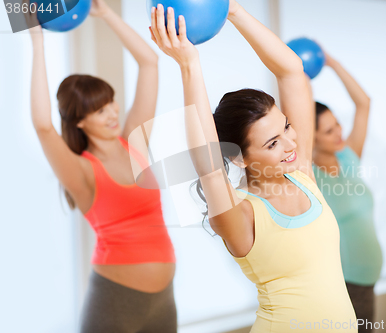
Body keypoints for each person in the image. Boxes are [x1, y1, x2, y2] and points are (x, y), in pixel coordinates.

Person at [149, 1, 356, 332]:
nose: (291, 143)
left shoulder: (301, 173)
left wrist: (232, 10)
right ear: (239, 156)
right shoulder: (242, 214)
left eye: (286, 126)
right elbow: (208, 166)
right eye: (272, 143)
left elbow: (291, 71)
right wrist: (189, 65)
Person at [28, 1, 177, 332]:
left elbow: (150, 63)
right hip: (116, 302)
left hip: (164, 299)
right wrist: (37, 41)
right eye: (99, 111)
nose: (112, 114)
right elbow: (42, 125)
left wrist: (106, 13)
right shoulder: (81, 171)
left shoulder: (134, 145)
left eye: (111, 102)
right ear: (79, 121)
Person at [312, 53, 382, 333]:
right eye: (329, 131)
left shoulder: (349, 155)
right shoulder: (308, 174)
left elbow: (364, 104)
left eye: (338, 123)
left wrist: (332, 64)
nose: (339, 132)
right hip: (342, 282)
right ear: (312, 139)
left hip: (368, 279)